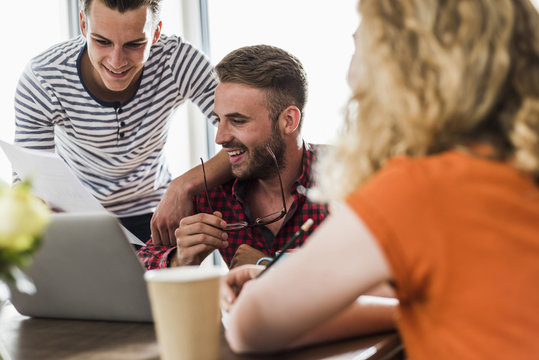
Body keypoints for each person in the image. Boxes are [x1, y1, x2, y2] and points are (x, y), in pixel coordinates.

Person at [222, 0, 539, 358]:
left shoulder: (421, 187)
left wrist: (407, 308)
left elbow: (250, 325)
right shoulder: (517, 167)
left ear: (404, 64)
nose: (350, 72)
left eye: (362, 42)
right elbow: (460, 282)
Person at [13, 0, 232, 244]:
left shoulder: (177, 61)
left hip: (157, 214)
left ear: (156, 32)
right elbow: (27, 178)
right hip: (75, 218)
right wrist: (35, 206)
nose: (116, 62)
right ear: (84, 25)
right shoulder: (44, 77)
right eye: (102, 41)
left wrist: (184, 185)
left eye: (134, 44)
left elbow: (244, 137)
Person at [137, 44, 330, 269]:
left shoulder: (349, 176)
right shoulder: (215, 194)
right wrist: (178, 260)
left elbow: (371, 273)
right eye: (219, 119)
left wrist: (268, 266)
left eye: (238, 121)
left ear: (288, 121)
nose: (219, 137)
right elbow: (140, 265)